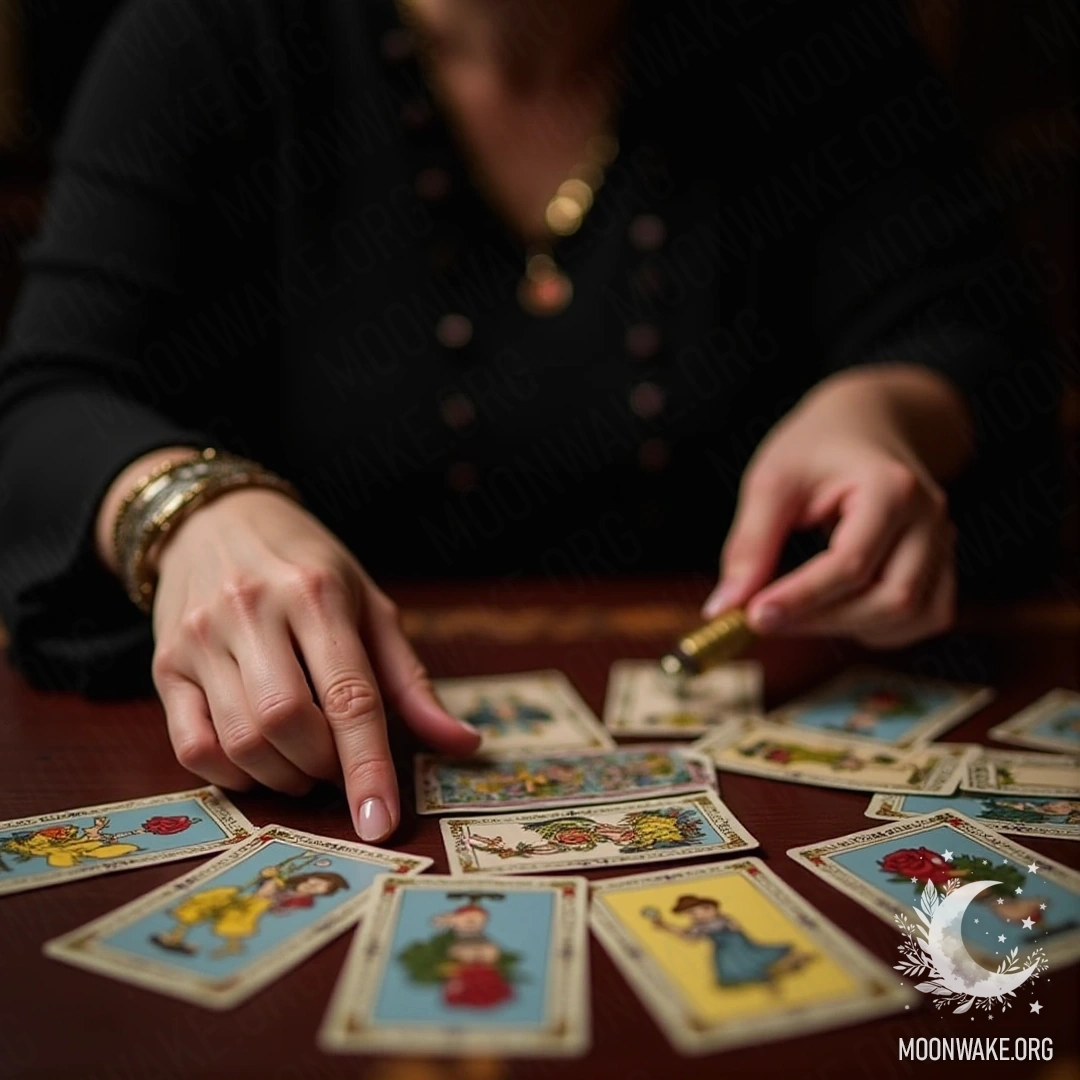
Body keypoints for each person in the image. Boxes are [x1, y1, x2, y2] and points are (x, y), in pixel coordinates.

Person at [0, 0, 1061, 842]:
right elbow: (44, 403)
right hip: (313, 788)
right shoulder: (211, 34)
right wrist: (180, 503)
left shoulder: (815, 31)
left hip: (783, 776)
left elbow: (980, 333)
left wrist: (893, 410)